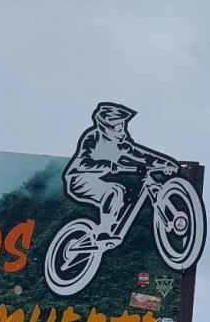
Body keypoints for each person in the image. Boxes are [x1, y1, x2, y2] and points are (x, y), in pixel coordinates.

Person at [62, 101, 180, 242]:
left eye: (122, 126)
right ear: (106, 128)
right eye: (118, 128)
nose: (122, 132)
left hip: (100, 178)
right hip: (78, 178)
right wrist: (107, 165)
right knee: (114, 191)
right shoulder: (92, 137)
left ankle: (113, 222)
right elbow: (81, 162)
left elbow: (142, 155)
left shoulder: (120, 145)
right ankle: (104, 230)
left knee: (126, 190)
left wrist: (166, 164)